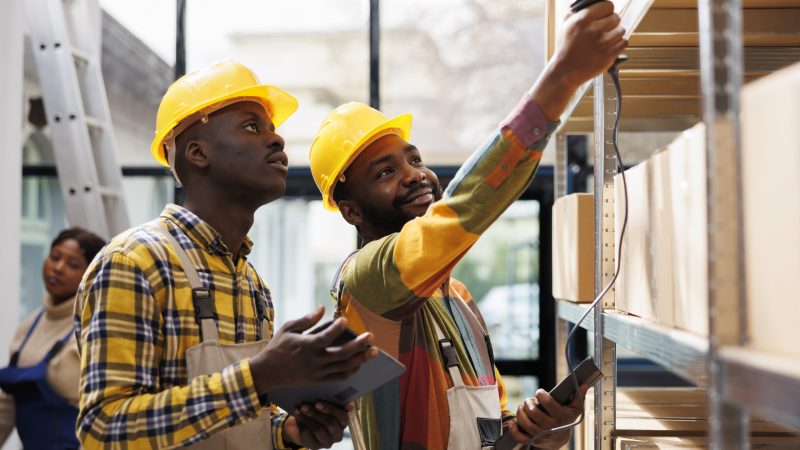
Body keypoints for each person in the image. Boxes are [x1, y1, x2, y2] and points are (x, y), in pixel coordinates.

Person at [307, 3, 626, 449]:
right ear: (352, 212)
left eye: (414, 159)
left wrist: (538, 433)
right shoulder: (364, 282)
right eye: (385, 172)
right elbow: (466, 207)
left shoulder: (458, 299)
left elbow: (490, 434)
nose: (415, 175)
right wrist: (562, 77)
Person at [74, 60, 377, 450]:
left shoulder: (252, 286)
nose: (278, 141)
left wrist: (287, 433)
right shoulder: (134, 263)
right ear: (198, 152)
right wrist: (256, 378)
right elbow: (103, 429)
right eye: (252, 127)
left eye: (273, 129)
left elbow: (246, 422)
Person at [0, 227, 105, 449]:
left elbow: (104, 418)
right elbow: (7, 405)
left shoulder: (92, 329)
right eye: (55, 257)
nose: (57, 268)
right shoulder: (30, 324)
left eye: (73, 265)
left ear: (92, 274)